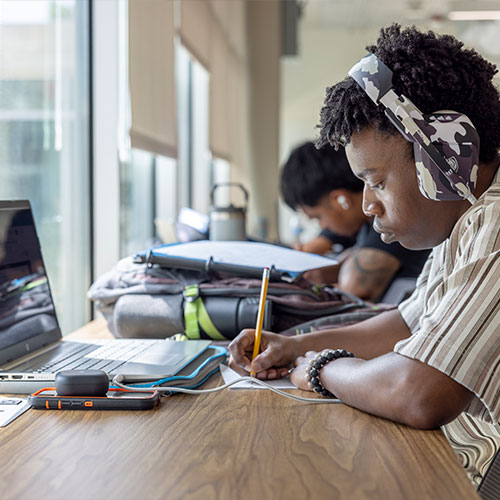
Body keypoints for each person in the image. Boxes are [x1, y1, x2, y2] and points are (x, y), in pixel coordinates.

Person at [230, 24, 500, 487]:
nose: (368, 204)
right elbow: (410, 322)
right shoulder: (464, 224)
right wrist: (295, 345)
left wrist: (319, 367)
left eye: (375, 181)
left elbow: (418, 392)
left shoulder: (493, 223)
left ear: (449, 156)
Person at [280, 141, 430, 301]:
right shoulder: (357, 223)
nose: (323, 226)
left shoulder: (390, 218)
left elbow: (356, 287)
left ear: (341, 200)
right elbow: (320, 243)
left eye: (318, 218)